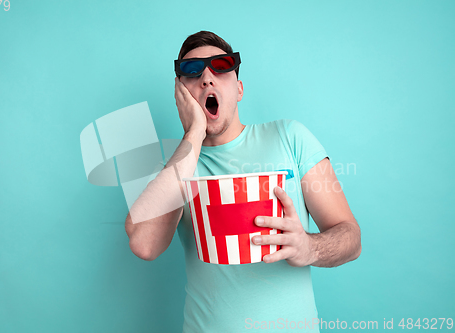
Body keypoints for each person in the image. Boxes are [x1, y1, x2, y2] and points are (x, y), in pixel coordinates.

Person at [125, 31, 361, 332]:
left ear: (238, 88)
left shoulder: (291, 138)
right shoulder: (175, 170)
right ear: (181, 95)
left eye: (221, 66)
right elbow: (144, 245)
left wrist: (309, 248)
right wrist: (194, 135)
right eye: (192, 71)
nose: (207, 78)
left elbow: (350, 238)